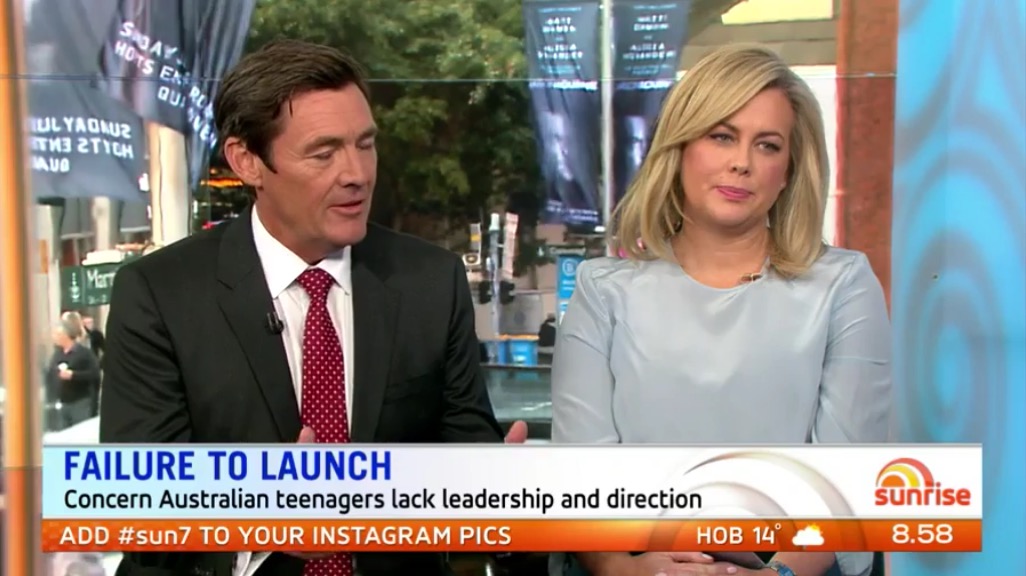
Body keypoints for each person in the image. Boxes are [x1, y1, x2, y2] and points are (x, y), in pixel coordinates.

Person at [99, 39, 527, 576]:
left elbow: (465, 457)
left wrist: (500, 495)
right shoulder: (160, 293)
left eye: (365, 145)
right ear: (247, 162)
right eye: (324, 153)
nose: (357, 173)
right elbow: (134, 501)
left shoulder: (429, 281)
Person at [551, 45, 891, 576]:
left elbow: (843, 482)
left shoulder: (842, 285)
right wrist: (626, 569)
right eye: (722, 136)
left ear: (788, 170)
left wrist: (775, 575)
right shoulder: (603, 290)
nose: (742, 162)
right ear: (680, 147)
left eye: (767, 145)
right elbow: (582, 478)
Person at [46, 320, 100, 430]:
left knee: (81, 432)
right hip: (63, 402)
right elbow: (51, 373)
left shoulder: (84, 353)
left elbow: (94, 374)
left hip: (80, 402)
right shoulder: (57, 354)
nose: (54, 337)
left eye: (57, 334)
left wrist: (73, 375)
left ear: (65, 335)